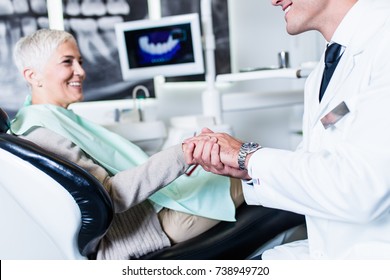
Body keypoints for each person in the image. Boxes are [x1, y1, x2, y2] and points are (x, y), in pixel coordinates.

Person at [9, 28, 243, 260]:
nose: (80, 71)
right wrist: (184, 153)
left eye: (79, 61)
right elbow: (110, 194)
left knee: (233, 163)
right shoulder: (41, 132)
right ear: (32, 76)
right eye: (67, 62)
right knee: (251, 170)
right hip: (150, 227)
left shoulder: (42, 120)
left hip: (149, 212)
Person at [184, 0, 390, 259]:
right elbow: (315, 167)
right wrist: (244, 168)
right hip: (331, 254)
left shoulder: (384, 43)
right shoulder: (321, 75)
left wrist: (248, 156)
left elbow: (363, 188)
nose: (273, 1)